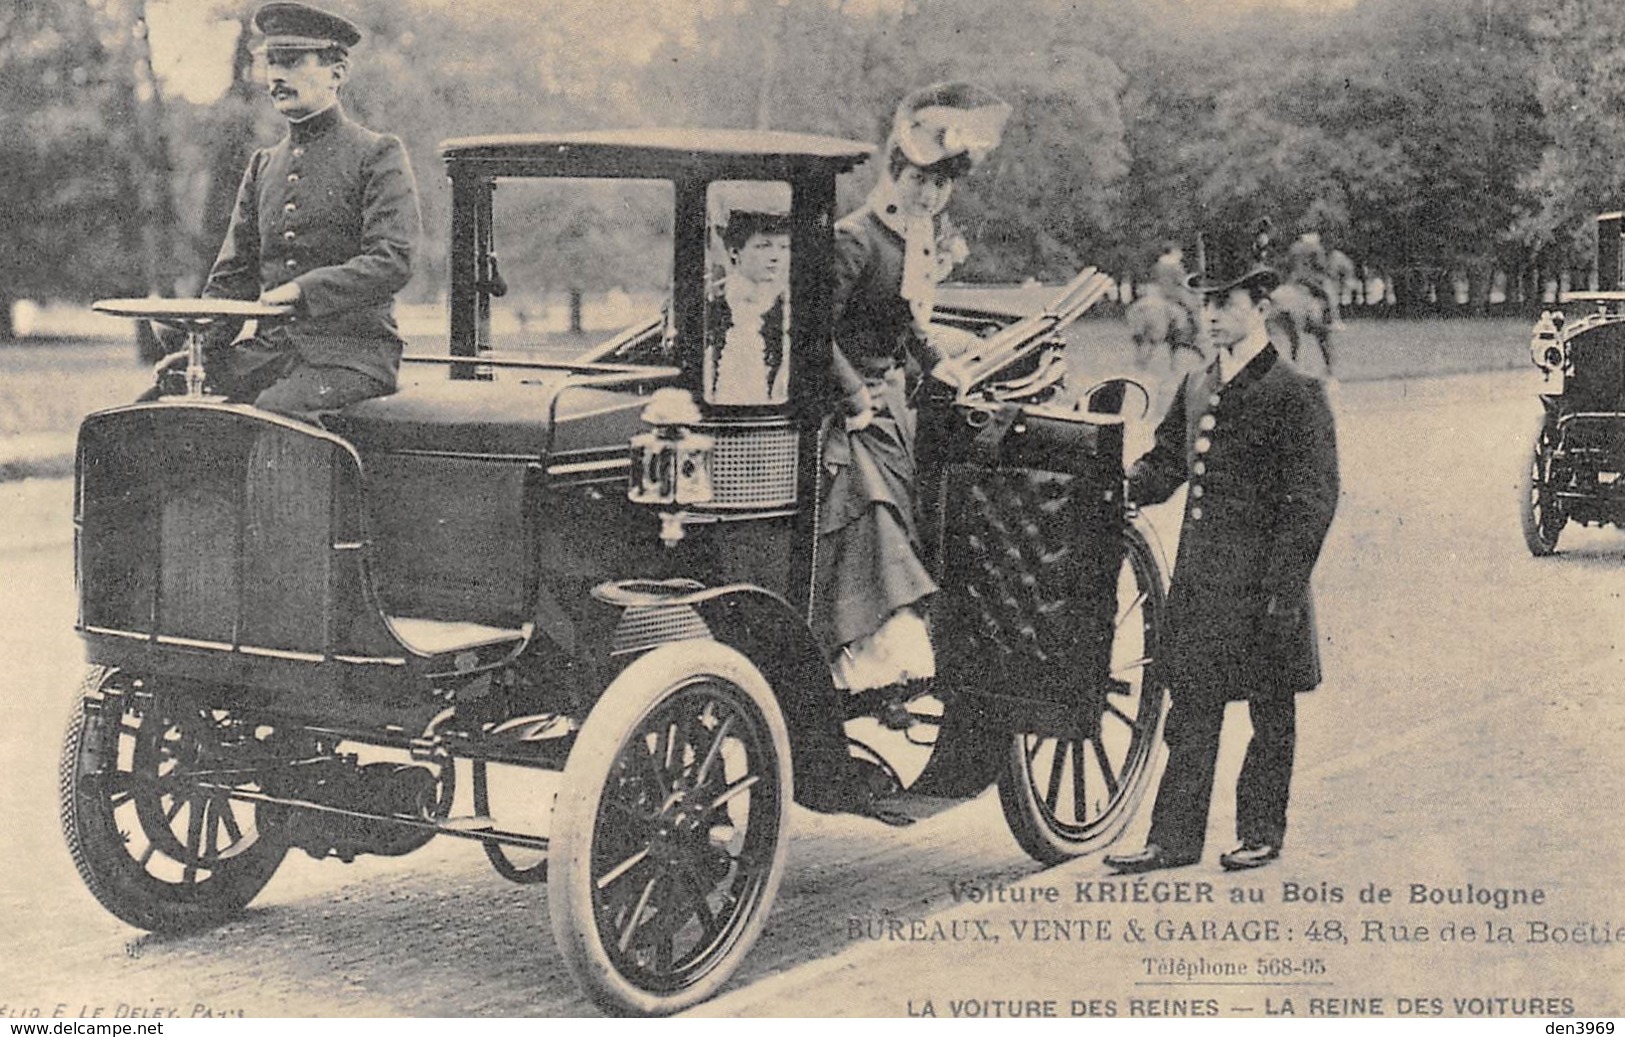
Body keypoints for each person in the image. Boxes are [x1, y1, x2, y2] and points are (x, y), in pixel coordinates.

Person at [1103, 222, 1340, 874]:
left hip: (1266, 586)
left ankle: (1260, 830)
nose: (1210, 316)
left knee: (1269, 714)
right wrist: (1118, 493)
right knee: (1192, 714)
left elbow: (1313, 499)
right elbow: (1162, 466)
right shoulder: (1198, 384)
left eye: (1224, 304)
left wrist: (1283, 587)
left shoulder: (1295, 392)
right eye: (1204, 304)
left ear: (1259, 307)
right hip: (1204, 586)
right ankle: (1172, 840)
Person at [812, 81, 1010, 695]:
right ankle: (857, 660)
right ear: (894, 173)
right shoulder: (854, 239)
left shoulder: (910, 241)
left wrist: (935, 360)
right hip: (841, 413)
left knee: (909, 515)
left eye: (942, 185)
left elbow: (904, 324)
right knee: (871, 517)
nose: (930, 194)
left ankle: (889, 662)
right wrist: (853, 398)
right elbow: (813, 334)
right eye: (920, 181)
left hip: (890, 408)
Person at [144, 1, 421, 422]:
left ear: (337, 72)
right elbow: (233, 277)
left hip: (352, 358)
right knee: (162, 398)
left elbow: (392, 260)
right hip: (270, 353)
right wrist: (197, 348)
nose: (276, 76)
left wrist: (299, 291)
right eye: (271, 62)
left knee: (276, 411)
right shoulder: (263, 166)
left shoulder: (376, 154)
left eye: (292, 61)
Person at [705, 210, 790, 405]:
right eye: (763, 246)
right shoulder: (711, 310)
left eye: (784, 247)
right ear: (735, 251)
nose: (776, 256)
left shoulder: (786, 315)